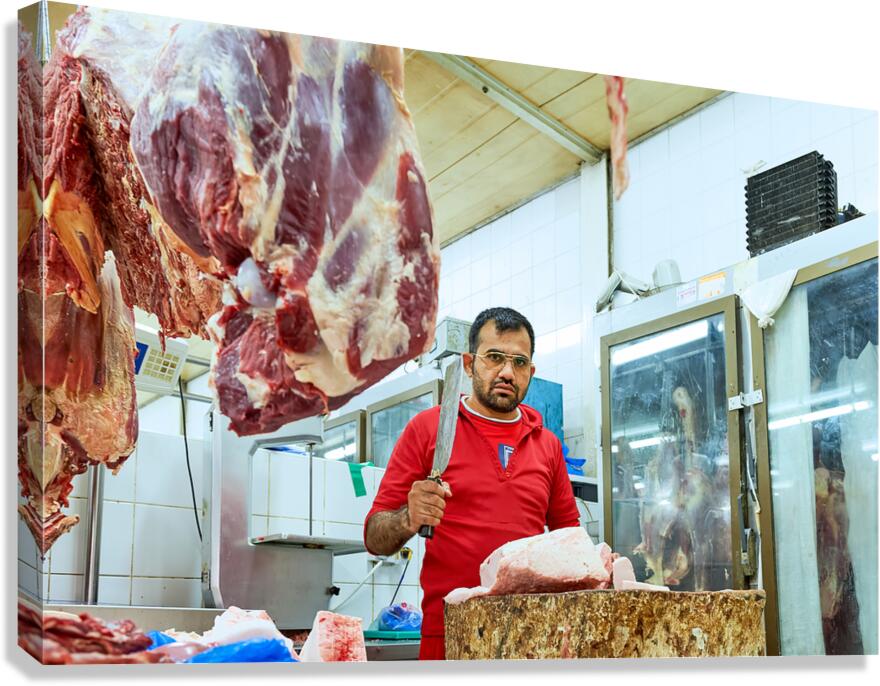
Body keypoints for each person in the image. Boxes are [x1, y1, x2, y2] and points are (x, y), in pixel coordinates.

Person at [363, 307, 580, 660]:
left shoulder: (548, 445)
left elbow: (570, 543)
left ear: (530, 372)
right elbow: (374, 538)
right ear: (469, 363)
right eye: (494, 357)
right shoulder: (428, 429)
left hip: (531, 638)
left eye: (519, 363)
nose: (507, 372)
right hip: (449, 635)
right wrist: (407, 518)